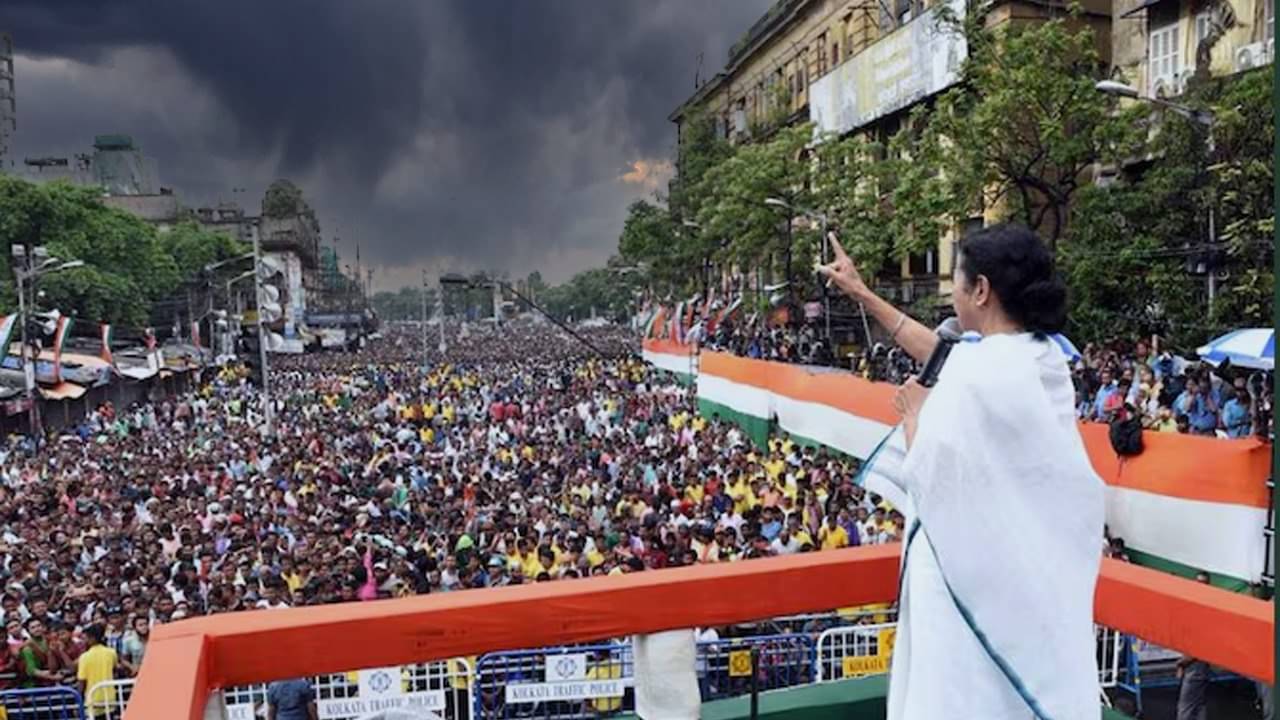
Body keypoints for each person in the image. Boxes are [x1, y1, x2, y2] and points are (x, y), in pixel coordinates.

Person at [820, 224, 1104, 719]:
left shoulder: (978, 376)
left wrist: (914, 416)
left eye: (956, 277)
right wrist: (862, 293)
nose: (951, 289)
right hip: (1017, 575)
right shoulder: (1038, 357)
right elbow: (943, 354)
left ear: (981, 290)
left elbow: (930, 474)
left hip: (960, 577)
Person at [1175, 571, 1213, 720]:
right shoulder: (1198, 606)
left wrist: (1182, 663)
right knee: (1198, 704)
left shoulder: (1204, 610)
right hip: (1197, 664)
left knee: (1186, 707)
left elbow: (1200, 645)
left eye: (1202, 583)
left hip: (1195, 665)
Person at [78, 624, 119, 719]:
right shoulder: (111, 652)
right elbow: (115, 670)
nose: (85, 641)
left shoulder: (84, 657)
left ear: (92, 638)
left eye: (86, 638)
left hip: (93, 699)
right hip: (110, 698)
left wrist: (79, 698)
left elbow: (82, 681)